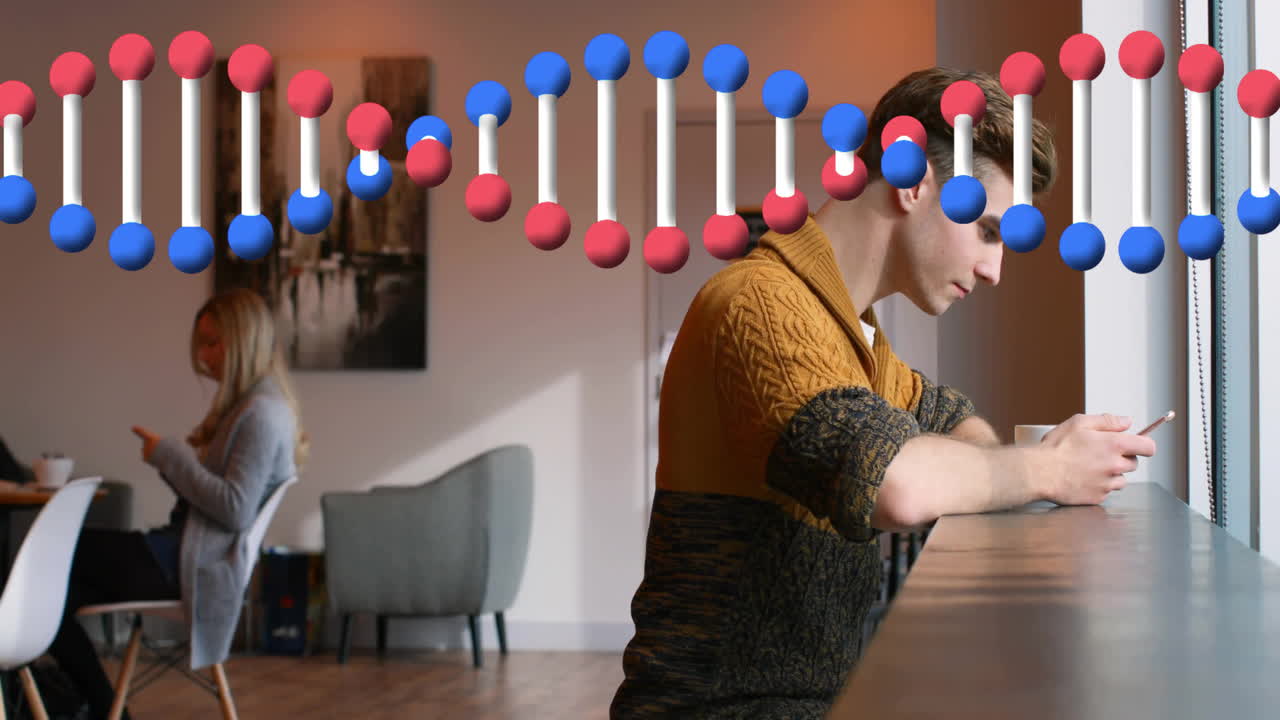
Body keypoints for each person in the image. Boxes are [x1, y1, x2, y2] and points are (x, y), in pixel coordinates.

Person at [610, 66, 1159, 719]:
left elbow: (953, 421)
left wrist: (1003, 467)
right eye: (986, 231)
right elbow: (894, 485)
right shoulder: (758, 305)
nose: (994, 270)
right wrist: (1047, 467)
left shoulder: (853, 336)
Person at [48, 287, 308, 720]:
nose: (204, 356)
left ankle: (88, 704)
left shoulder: (262, 414)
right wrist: (171, 464)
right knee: (55, 595)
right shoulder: (254, 407)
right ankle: (100, 708)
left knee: (49, 553)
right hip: (177, 555)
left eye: (213, 343)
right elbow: (211, 501)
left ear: (243, 340)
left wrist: (171, 456)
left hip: (184, 565)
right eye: (201, 343)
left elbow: (234, 508)